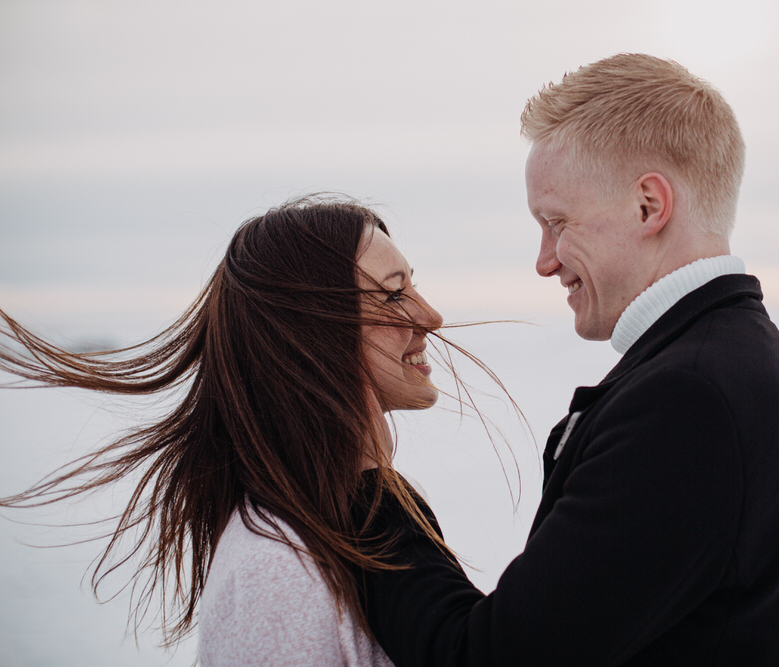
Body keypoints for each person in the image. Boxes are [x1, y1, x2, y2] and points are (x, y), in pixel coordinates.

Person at [351, 54, 779, 665]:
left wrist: (368, 487)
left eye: (556, 222)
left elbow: (484, 659)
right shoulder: (741, 363)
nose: (545, 259)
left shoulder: (688, 402)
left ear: (648, 206)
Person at [0, 195, 460, 666]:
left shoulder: (362, 512)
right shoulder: (278, 567)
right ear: (313, 334)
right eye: (393, 294)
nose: (430, 316)